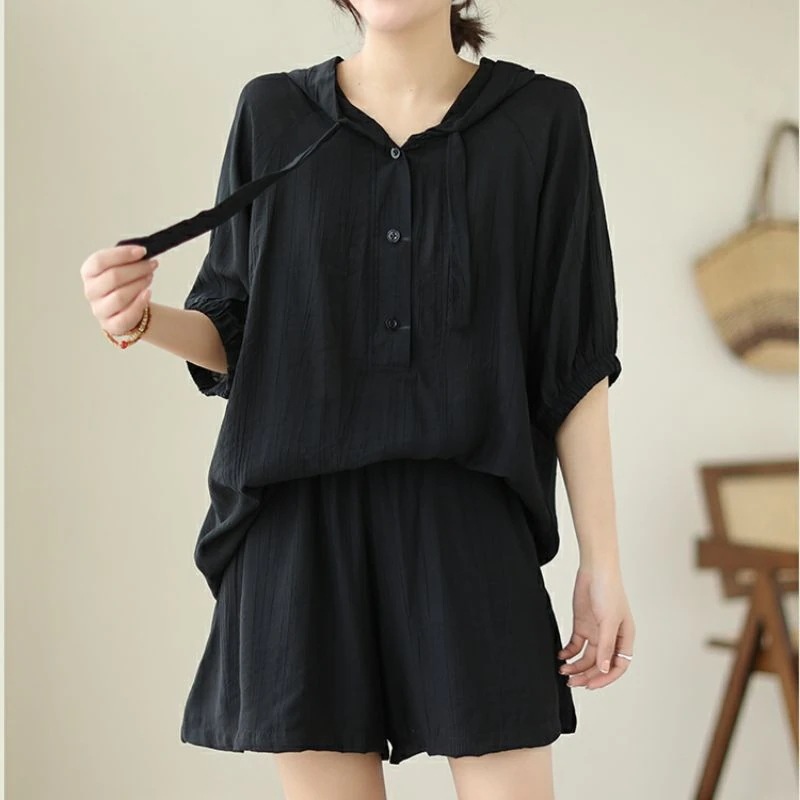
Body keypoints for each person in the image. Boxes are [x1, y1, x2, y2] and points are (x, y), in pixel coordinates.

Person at [79, 1, 636, 797]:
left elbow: (573, 359)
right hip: (297, 531)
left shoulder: (541, 118)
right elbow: (236, 328)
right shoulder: (273, 112)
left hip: (470, 519)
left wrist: (602, 564)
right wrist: (137, 318)